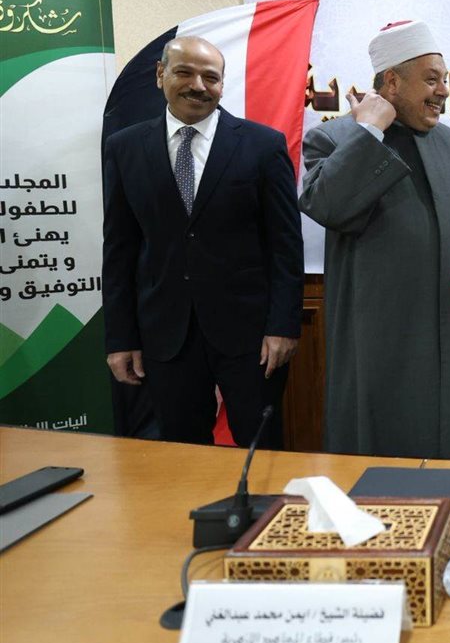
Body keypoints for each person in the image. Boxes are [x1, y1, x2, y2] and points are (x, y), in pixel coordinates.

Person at [300, 20, 450, 459]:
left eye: (444, 80)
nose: (443, 91)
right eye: (431, 79)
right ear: (391, 81)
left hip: (447, 341)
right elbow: (326, 205)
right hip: (377, 345)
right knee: (378, 469)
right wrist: (369, 131)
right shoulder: (333, 138)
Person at [102, 36, 303, 448]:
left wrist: (283, 327)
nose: (198, 85)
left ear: (222, 85)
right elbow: (119, 249)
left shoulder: (263, 146)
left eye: (210, 77)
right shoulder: (125, 148)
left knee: (262, 451)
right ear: (160, 75)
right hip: (165, 335)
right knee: (183, 453)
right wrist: (121, 338)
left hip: (252, 338)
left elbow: (286, 246)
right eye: (184, 72)